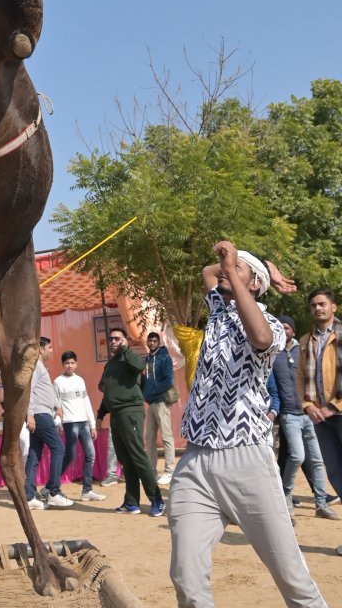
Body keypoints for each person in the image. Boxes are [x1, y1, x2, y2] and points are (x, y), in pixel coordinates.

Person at [169, 240, 328, 608]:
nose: (225, 270)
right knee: (186, 577)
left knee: (291, 576)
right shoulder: (219, 310)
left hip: (246, 460)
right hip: (196, 462)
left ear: (253, 284)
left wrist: (248, 271)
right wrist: (247, 264)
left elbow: (260, 338)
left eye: (237, 269)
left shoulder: (267, 322)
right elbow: (209, 272)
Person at [272, 314, 338, 521]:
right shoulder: (272, 354)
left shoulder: (303, 348)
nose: (284, 331)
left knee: (318, 460)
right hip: (289, 414)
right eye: (280, 328)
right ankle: (286, 496)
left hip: (311, 414)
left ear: (292, 330)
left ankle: (321, 503)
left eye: (287, 328)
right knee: (297, 456)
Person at [100, 327, 164, 517]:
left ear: (125, 340)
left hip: (131, 411)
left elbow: (139, 367)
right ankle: (131, 503)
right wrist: (100, 414)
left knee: (137, 456)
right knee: (126, 460)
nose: (113, 342)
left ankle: (157, 499)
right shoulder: (111, 364)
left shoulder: (131, 358)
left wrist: (126, 349)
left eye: (117, 339)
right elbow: (108, 391)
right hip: (116, 414)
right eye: (110, 339)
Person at [298, 288, 342, 505]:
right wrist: (307, 405)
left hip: (338, 412)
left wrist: (334, 407)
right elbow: (299, 377)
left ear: (333, 307)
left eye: (322, 304)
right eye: (314, 305)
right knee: (334, 471)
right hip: (320, 418)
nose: (318, 308)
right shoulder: (306, 341)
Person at [25, 337, 73, 509]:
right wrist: (29, 415)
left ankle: (29, 497)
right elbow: (29, 391)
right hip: (39, 414)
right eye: (50, 347)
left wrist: (56, 405)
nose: (52, 350)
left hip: (43, 412)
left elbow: (44, 391)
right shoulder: (35, 367)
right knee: (59, 449)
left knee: (34, 454)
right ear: (40, 349)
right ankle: (53, 492)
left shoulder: (40, 367)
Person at [53, 351, 105, 501]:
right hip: (70, 424)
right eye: (67, 363)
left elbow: (86, 402)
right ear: (62, 364)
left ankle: (87, 491)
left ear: (76, 363)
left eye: (72, 362)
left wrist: (92, 424)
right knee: (69, 456)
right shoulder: (58, 382)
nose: (70, 365)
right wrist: (58, 423)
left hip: (83, 423)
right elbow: (56, 406)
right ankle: (51, 486)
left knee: (90, 455)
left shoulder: (80, 380)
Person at [142, 332, 176, 486]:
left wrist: (153, 391)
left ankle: (170, 470)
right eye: (150, 340)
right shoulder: (147, 358)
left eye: (155, 340)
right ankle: (152, 471)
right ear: (147, 342)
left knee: (166, 437)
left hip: (161, 401)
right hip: (150, 403)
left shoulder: (164, 358)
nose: (152, 343)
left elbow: (168, 381)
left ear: (158, 342)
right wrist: (146, 393)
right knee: (149, 438)